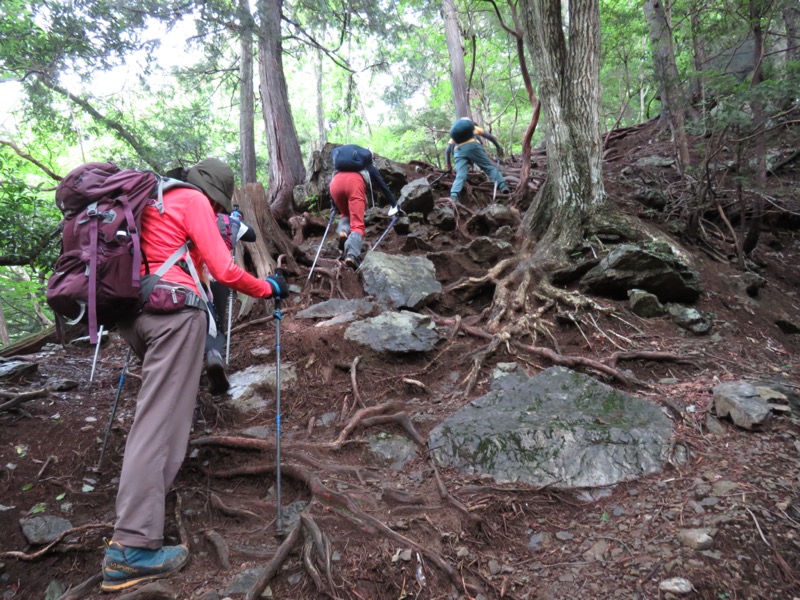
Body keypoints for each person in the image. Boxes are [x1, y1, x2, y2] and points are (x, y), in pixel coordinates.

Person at [100, 158, 290, 592]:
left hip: (135, 315)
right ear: (217, 193)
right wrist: (268, 287)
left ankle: (138, 530)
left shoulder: (148, 199)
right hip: (174, 315)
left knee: (156, 417)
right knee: (161, 425)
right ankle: (130, 548)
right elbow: (222, 269)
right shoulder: (191, 201)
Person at [204, 209, 257, 395]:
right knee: (217, 325)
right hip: (219, 277)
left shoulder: (197, 214)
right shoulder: (229, 221)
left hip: (188, 277)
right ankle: (214, 356)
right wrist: (236, 220)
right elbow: (252, 235)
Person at [329, 144, 397, 269]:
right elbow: (381, 184)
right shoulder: (366, 163)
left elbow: (332, 194)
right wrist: (394, 205)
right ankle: (352, 255)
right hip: (354, 184)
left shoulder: (341, 163)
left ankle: (343, 232)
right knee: (357, 225)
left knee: (345, 214)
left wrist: (333, 205)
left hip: (335, 183)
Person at [445, 117, 509, 203]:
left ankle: (454, 195)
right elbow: (490, 137)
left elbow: (448, 151)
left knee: (460, 175)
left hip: (458, 151)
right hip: (473, 147)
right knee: (489, 168)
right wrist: (498, 147)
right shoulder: (473, 128)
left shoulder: (456, 134)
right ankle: (503, 187)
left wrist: (448, 166)